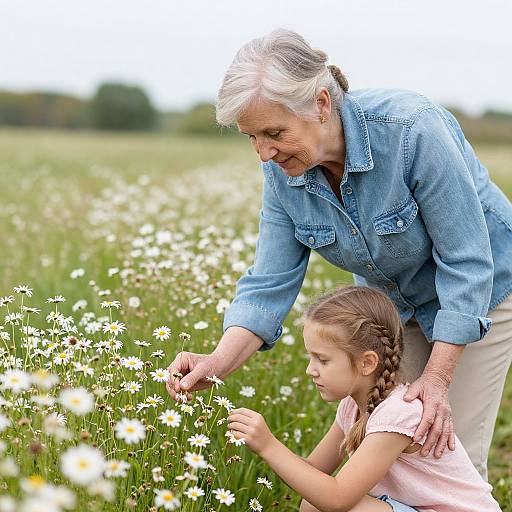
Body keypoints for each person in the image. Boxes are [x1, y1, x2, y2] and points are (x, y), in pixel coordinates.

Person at [166, 28, 512, 480]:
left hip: (483, 293)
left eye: (273, 132)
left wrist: (437, 380)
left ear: (322, 104)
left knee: (446, 452)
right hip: (393, 308)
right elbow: (269, 281)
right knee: (383, 451)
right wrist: (217, 362)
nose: (264, 153)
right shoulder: (282, 171)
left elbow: (467, 262)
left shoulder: (413, 131)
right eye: (251, 137)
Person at [227, 286, 502, 512]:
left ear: (367, 363)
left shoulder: (400, 411)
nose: (310, 370)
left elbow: (338, 498)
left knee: (348, 507)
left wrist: (269, 446)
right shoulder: (352, 406)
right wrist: (261, 444)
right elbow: (313, 471)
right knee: (312, 502)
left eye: (322, 360)